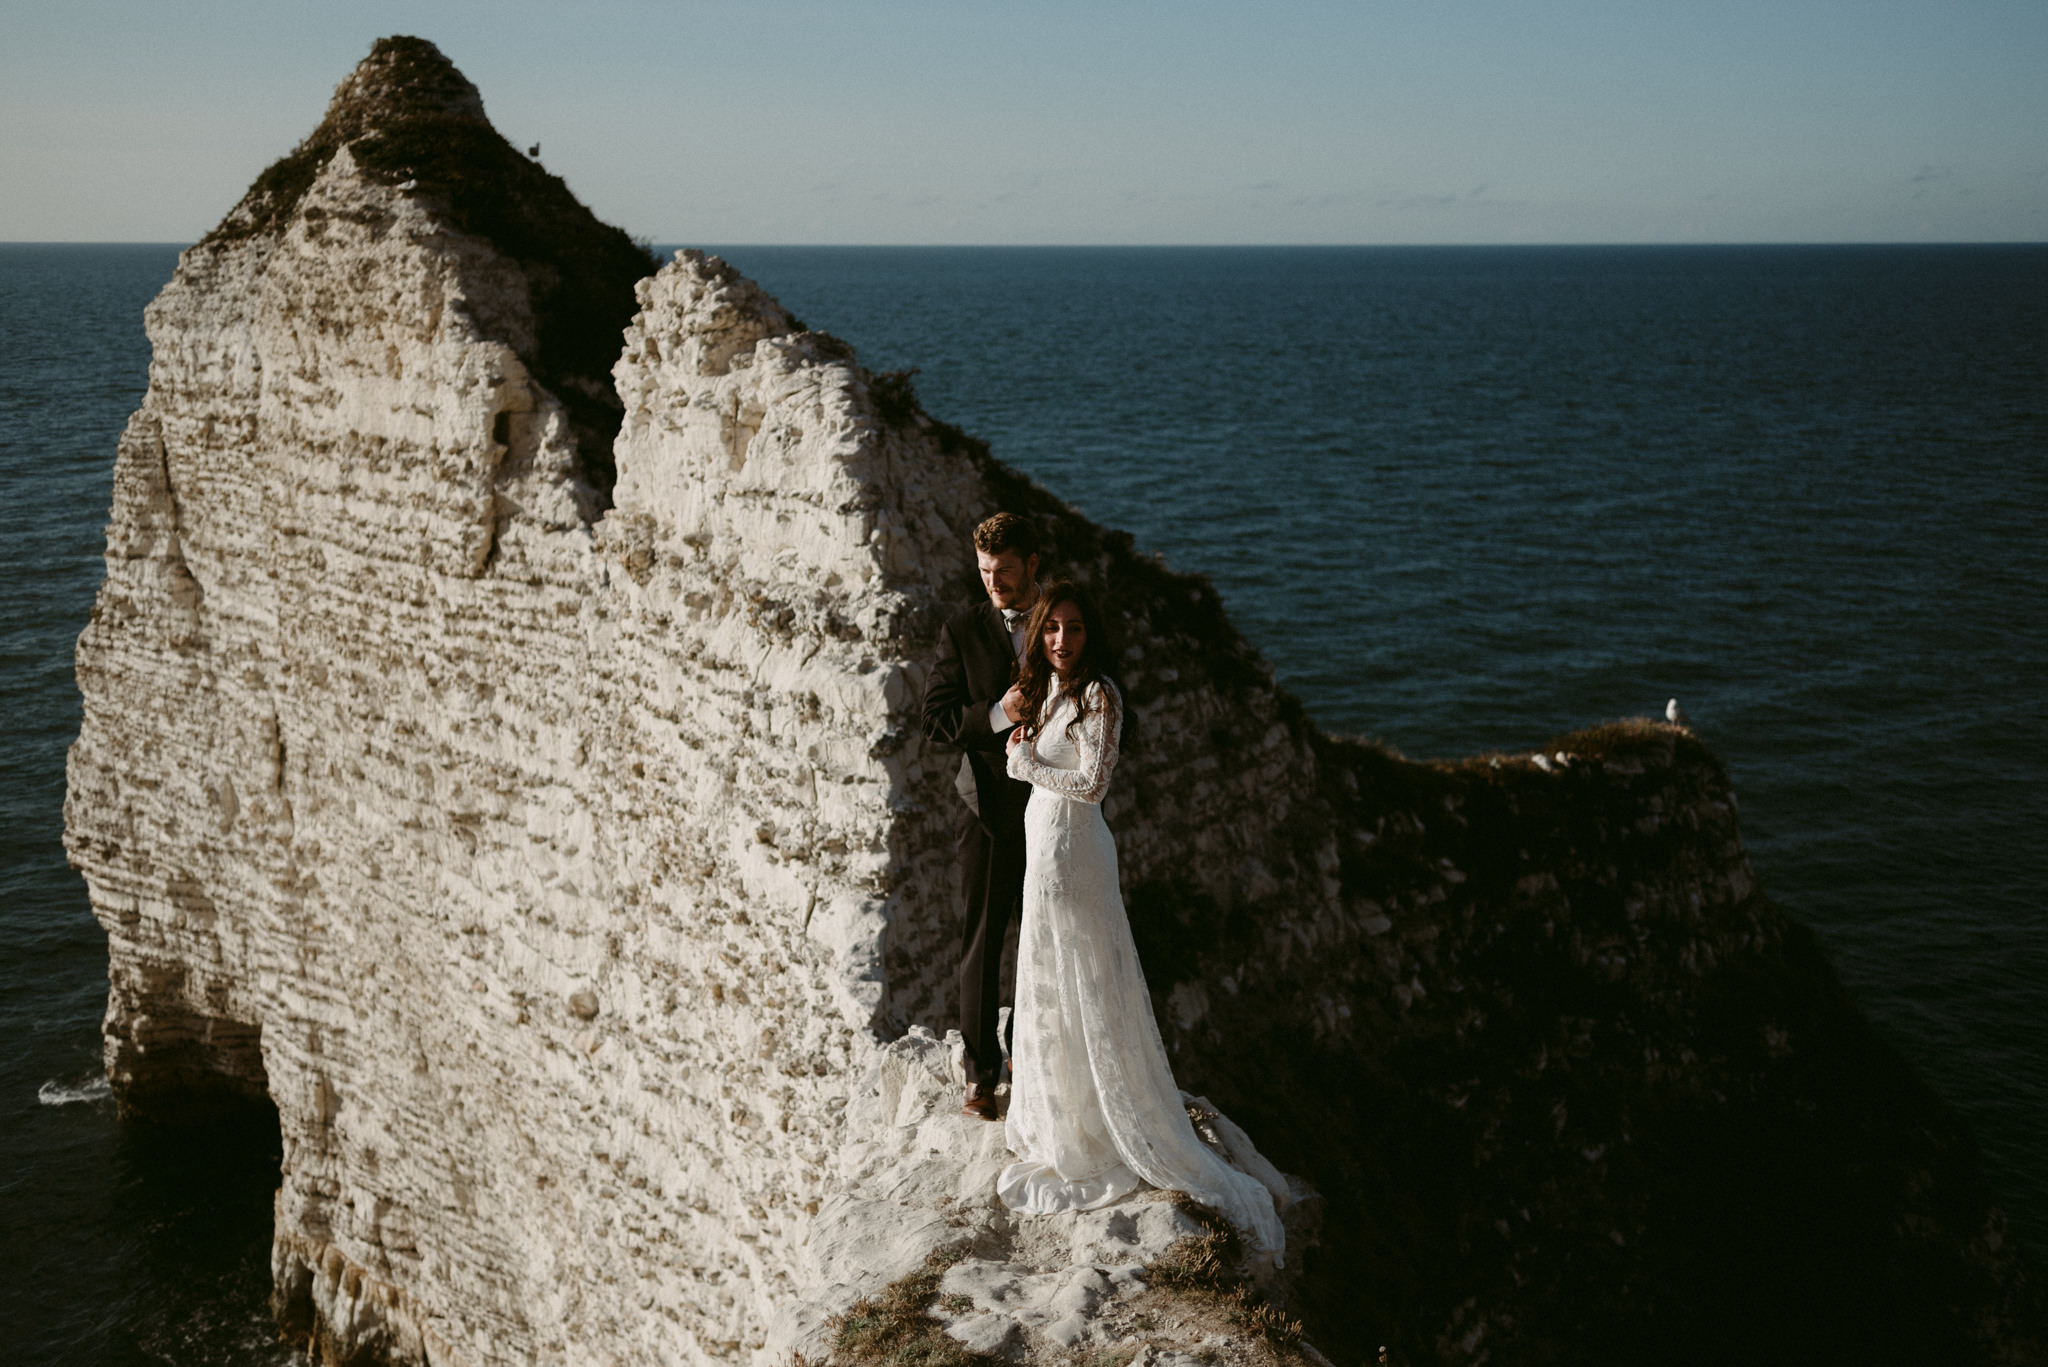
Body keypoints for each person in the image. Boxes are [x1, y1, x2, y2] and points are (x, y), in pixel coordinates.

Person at [998, 580, 1286, 1263]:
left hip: (1077, 853)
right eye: (1051, 629)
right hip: (1043, 851)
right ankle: (1065, 1109)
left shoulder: (1101, 695)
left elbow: (1093, 783)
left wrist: (1026, 762)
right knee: (1051, 974)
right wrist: (1024, 749)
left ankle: (1102, 1118)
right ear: (1039, 634)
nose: (1062, 639)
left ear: (1090, 634)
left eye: (1073, 627)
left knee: (1086, 975)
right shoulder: (1044, 691)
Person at [919, 512, 1042, 1121]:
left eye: (1006, 572)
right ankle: (980, 1075)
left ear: (1032, 566)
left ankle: (1029, 1053)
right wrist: (998, 713)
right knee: (983, 942)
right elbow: (935, 719)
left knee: (1047, 934)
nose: (995, 584)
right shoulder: (962, 629)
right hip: (987, 808)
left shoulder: (1062, 621)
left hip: (1055, 805)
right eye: (986, 572)